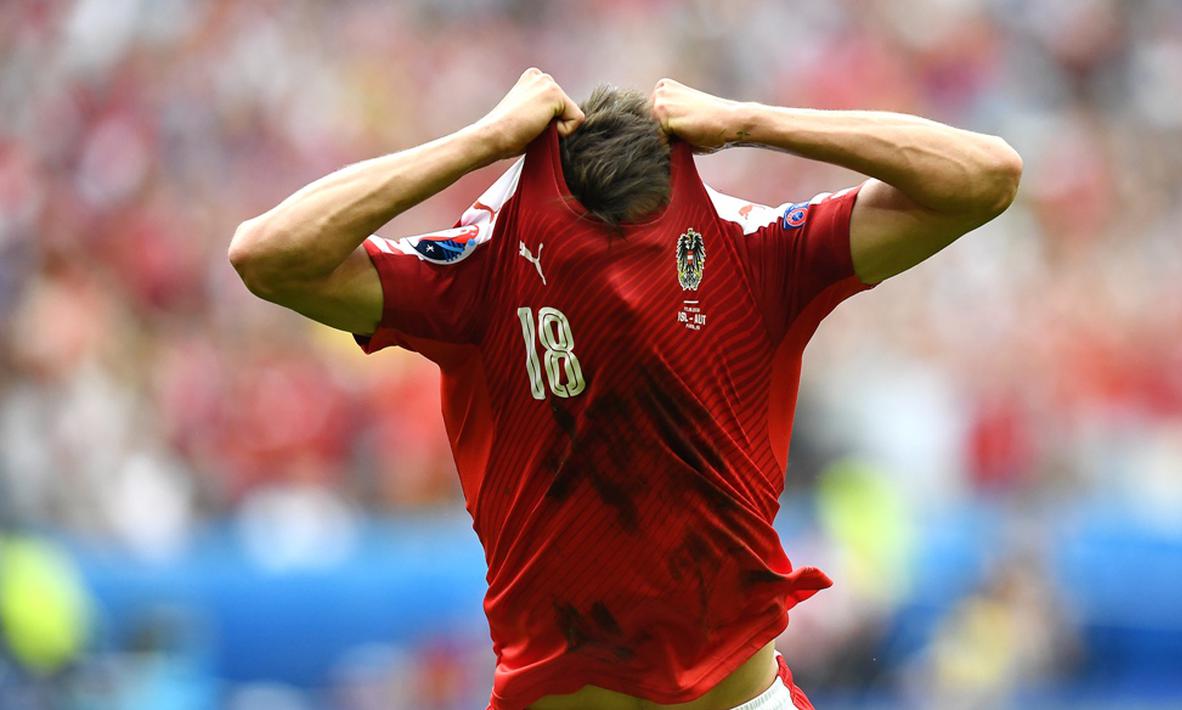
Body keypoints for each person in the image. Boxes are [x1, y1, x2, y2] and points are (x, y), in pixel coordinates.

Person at [229, 68, 1021, 710]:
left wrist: (751, 119)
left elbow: (987, 176)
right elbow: (265, 254)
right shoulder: (479, 266)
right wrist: (481, 140)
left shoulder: (753, 251)